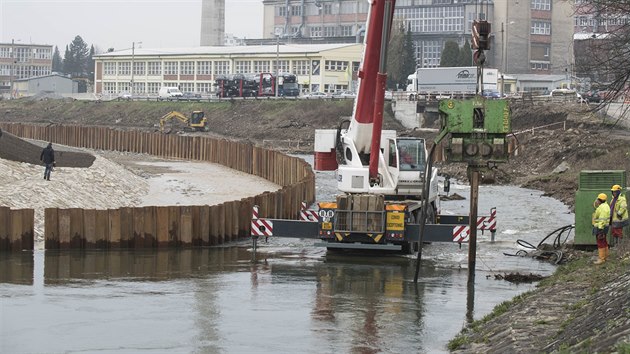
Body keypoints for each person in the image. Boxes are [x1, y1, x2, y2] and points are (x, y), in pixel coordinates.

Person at [592, 193, 610, 265]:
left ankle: (601, 259)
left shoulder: (602, 208)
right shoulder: (606, 206)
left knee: (600, 242)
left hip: (601, 227)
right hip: (604, 227)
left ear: (600, 200)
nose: (596, 201)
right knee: (604, 242)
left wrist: (600, 230)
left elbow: (602, 219)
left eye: (597, 199)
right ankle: (605, 257)